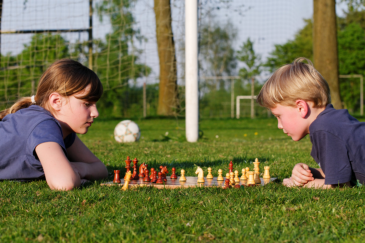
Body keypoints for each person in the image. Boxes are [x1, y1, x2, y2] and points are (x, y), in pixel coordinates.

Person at [257, 57, 365, 189]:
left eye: (279, 116)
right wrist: (308, 173)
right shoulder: (333, 122)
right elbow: (339, 173)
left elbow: (339, 185)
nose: (279, 125)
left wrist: (299, 184)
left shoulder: (324, 129)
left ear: (301, 108)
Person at [0, 59, 108, 190]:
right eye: (87, 104)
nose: (95, 113)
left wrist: (78, 168)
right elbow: (64, 182)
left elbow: (100, 168)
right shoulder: (43, 125)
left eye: (95, 104)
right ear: (56, 101)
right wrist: (72, 171)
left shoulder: (63, 128)